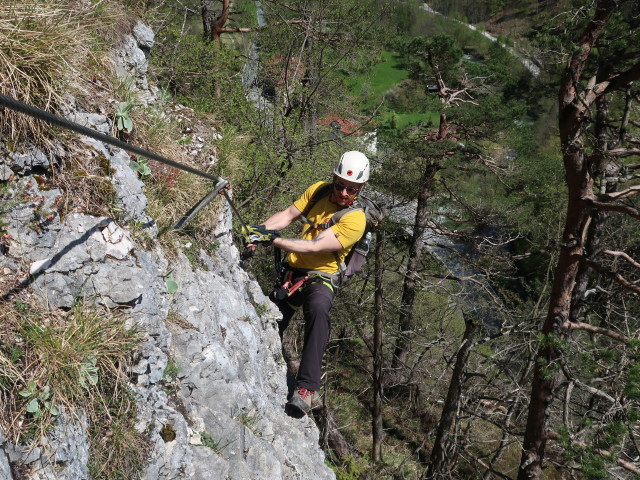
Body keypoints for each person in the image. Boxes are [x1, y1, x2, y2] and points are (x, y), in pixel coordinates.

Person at [246, 151, 370, 414]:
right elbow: (288, 215)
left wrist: (274, 240)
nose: (344, 193)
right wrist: (259, 232)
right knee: (271, 318)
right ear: (333, 179)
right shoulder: (318, 191)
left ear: (361, 188)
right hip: (292, 271)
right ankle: (257, 359)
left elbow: (316, 247)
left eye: (352, 189)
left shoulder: (356, 219)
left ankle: (306, 389)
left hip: (322, 276)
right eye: (340, 185)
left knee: (318, 309)